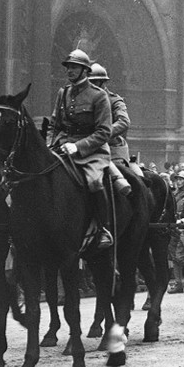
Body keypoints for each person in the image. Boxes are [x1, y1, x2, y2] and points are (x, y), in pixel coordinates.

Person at [46, 49, 116, 249]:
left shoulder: (99, 96)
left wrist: (77, 147)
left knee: (94, 182)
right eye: (68, 67)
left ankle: (104, 228)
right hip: (62, 148)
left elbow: (104, 132)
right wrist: (50, 145)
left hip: (92, 153)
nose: (69, 70)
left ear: (85, 70)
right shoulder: (63, 93)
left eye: (74, 67)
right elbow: (54, 125)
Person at [87, 63, 137, 191]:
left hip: (111, 148)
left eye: (93, 82)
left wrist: (102, 134)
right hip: (86, 147)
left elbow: (124, 122)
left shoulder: (115, 101)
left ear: (101, 82)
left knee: (119, 183)